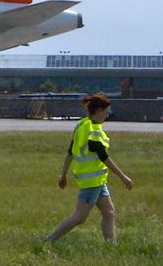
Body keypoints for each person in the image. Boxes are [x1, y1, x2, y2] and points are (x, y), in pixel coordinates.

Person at [44, 94, 133, 244]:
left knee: (109, 212)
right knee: (80, 217)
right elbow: (104, 157)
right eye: (106, 112)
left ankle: (111, 246)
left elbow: (71, 151)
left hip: (98, 180)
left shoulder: (82, 125)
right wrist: (123, 177)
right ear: (98, 110)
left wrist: (63, 174)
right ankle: (49, 240)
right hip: (91, 181)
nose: (107, 115)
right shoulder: (94, 132)